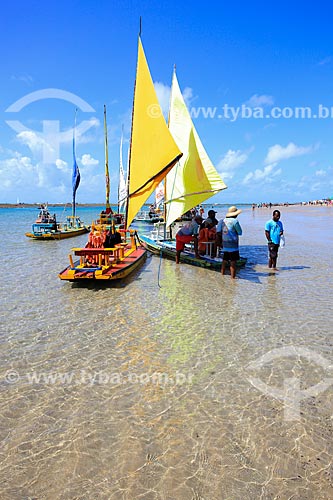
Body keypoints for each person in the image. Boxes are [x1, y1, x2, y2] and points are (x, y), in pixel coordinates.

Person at [217, 206, 242, 279]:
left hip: (225, 243)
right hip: (233, 245)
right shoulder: (235, 221)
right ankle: (233, 278)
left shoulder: (222, 221)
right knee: (233, 262)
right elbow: (240, 232)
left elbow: (218, 231)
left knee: (224, 260)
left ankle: (222, 275)